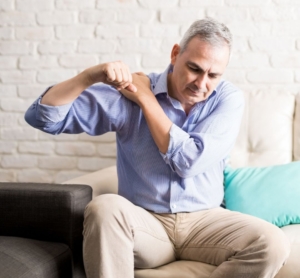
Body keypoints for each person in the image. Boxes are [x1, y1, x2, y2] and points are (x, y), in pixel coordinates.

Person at [25, 18, 290, 278]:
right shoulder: (131, 90)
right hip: (146, 223)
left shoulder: (225, 99)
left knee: (272, 243)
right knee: (103, 208)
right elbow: (43, 118)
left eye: (213, 75)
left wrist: (146, 99)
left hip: (205, 221)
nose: (201, 83)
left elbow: (189, 162)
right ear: (175, 54)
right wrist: (90, 76)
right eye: (195, 68)